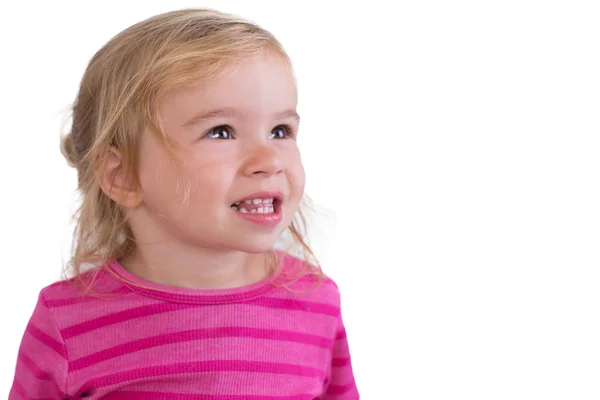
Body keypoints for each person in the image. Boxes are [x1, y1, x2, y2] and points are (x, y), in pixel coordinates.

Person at [9, 8, 358, 399]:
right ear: (120, 175)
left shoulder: (316, 302)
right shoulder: (66, 323)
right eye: (221, 132)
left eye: (281, 131)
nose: (270, 160)